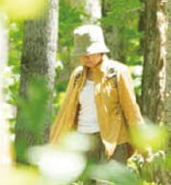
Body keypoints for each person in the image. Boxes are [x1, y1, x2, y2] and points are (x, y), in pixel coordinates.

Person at [49, 24, 145, 164]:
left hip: (113, 141)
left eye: (89, 53)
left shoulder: (117, 72)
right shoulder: (77, 76)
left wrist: (144, 147)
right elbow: (65, 113)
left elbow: (132, 111)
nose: (85, 57)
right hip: (83, 141)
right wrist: (54, 146)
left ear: (100, 50)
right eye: (82, 54)